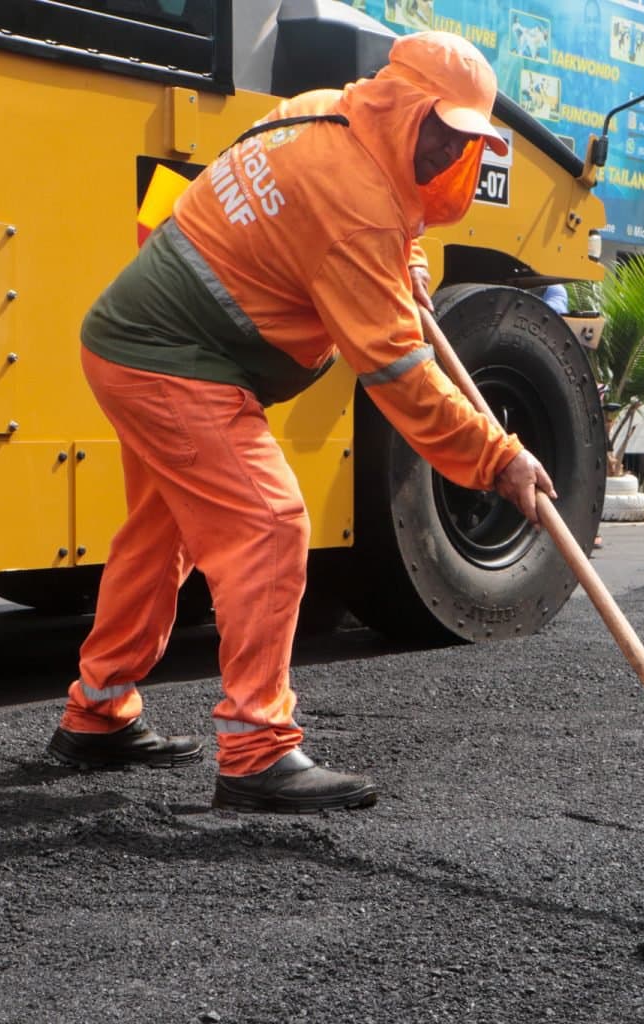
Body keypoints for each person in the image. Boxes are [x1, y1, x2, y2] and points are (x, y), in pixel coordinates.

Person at [45, 32, 556, 814]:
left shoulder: (324, 115)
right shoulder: (353, 205)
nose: (448, 151)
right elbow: (399, 378)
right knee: (269, 524)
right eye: (441, 130)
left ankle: (99, 709)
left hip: (130, 343)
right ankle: (256, 750)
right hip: (173, 362)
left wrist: (409, 265)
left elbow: (392, 224)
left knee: (162, 534)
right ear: (400, 105)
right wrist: (498, 458)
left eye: (465, 139)